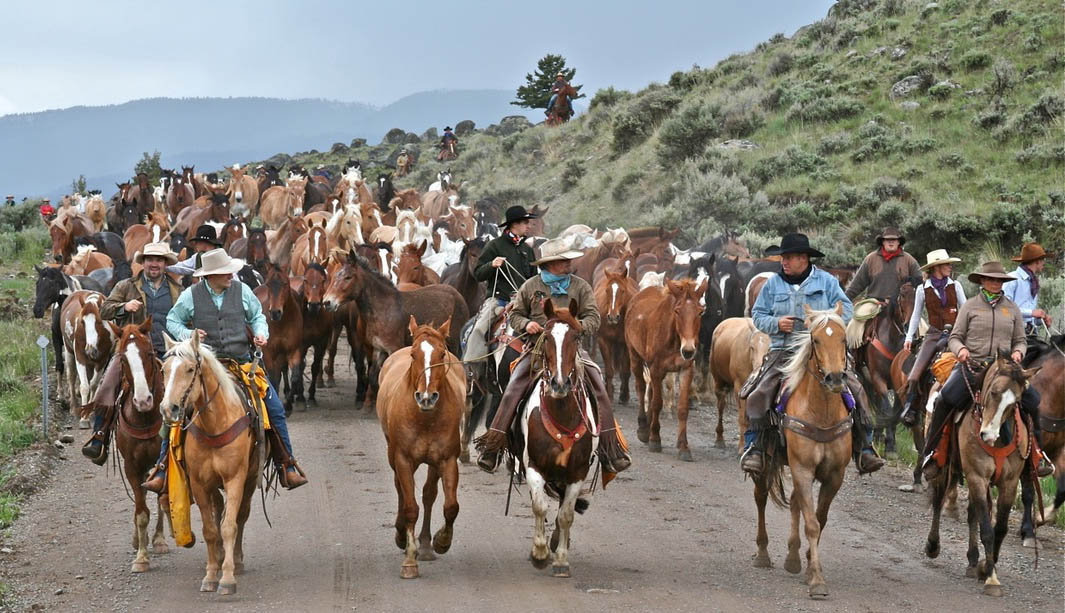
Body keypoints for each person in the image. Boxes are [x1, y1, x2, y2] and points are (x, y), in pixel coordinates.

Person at [142, 248, 308, 491]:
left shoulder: (243, 292)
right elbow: (172, 321)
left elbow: (257, 317)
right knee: (176, 406)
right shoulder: (191, 295)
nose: (231, 275)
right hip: (206, 366)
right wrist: (188, 334)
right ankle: (163, 467)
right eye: (225, 272)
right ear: (211, 275)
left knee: (274, 408)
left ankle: (287, 464)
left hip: (241, 364)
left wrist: (261, 333)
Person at [475, 238, 631, 475]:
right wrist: (527, 325)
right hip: (537, 348)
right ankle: (493, 446)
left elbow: (593, 317)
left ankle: (611, 449)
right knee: (514, 386)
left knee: (597, 381)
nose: (568, 264)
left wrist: (576, 326)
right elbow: (516, 315)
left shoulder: (580, 286)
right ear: (549, 264)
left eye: (568, 260)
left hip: (571, 348)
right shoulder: (531, 286)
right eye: (562, 261)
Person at [741, 233, 884, 477]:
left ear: (804, 258)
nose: (784, 262)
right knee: (758, 393)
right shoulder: (772, 284)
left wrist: (823, 322)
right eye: (783, 257)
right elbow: (757, 315)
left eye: (790, 257)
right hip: (783, 351)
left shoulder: (827, 282)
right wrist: (776, 323)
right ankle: (754, 447)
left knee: (856, 390)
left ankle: (865, 447)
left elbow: (846, 310)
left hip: (824, 351)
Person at [921, 261, 1051, 479]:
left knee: (1033, 401)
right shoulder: (970, 307)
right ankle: (934, 453)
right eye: (991, 279)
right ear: (982, 280)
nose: (995, 283)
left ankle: (1037, 455)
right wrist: (961, 349)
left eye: (999, 280)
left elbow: (1020, 340)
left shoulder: (1012, 309)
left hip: (1005, 371)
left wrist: (1018, 352)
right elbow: (954, 337)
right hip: (973, 366)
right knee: (944, 399)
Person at [81, 243, 183, 464]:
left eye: (159, 260)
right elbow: (105, 309)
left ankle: (192, 441)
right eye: (149, 259)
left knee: (189, 389)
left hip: (168, 351)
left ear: (165, 264)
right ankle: (100, 437)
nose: (154, 264)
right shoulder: (126, 286)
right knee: (107, 385)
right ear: (143, 262)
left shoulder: (177, 290)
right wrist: (123, 307)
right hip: (132, 352)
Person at [463, 206, 539, 367]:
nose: (528, 226)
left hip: (525, 302)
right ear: (514, 224)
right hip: (500, 300)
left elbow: (533, 278)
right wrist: (491, 264)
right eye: (525, 222)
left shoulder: (527, 250)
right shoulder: (495, 246)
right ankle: (473, 370)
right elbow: (478, 274)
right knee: (478, 330)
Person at [898, 249, 967, 425]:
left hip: (956, 334)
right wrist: (908, 337)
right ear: (937, 267)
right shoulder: (922, 289)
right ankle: (911, 407)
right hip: (933, 334)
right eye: (947, 264)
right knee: (914, 375)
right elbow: (916, 314)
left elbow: (965, 309)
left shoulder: (956, 285)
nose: (950, 267)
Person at [845, 227, 922, 301]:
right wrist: (843, 300)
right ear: (883, 242)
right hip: (874, 304)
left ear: (898, 242)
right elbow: (857, 284)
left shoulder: (909, 260)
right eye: (887, 239)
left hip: (900, 306)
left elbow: (921, 282)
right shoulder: (870, 259)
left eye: (894, 239)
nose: (890, 242)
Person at [1003, 242, 1053, 335]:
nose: (1044, 263)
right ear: (1037, 261)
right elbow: (1004, 309)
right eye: (1043, 259)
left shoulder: (1033, 281)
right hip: (1012, 335)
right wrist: (1032, 312)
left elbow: (1029, 317)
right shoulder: (1012, 279)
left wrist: (1041, 319)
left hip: (1030, 334)